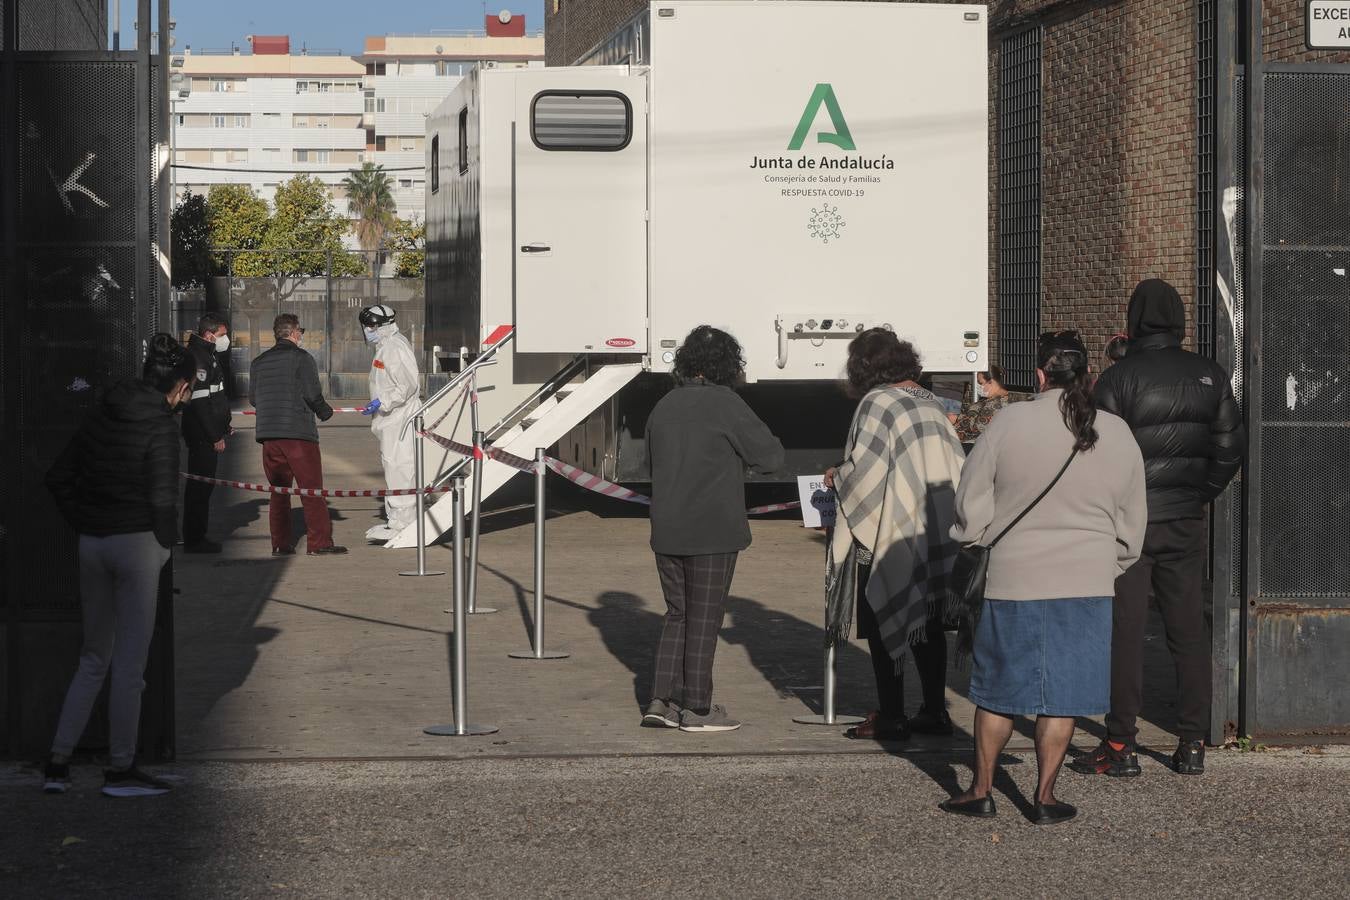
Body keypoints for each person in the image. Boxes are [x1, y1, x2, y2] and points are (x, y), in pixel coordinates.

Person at [944, 330, 1147, 824]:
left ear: (1039, 375)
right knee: (1063, 695)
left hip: (1015, 577)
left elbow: (971, 504)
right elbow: (1133, 523)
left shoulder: (1008, 423)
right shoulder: (1117, 432)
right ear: (1089, 376)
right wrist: (1109, 561)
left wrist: (974, 538)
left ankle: (982, 789)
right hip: (1087, 580)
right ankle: (1045, 796)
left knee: (996, 689)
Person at [1073, 278, 1244, 778]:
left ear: (1133, 321)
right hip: (1185, 518)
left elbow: (1093, 452)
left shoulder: (1117, 379)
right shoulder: (1209, 374)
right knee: (1187, 628)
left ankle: (1121, 741)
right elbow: (1229, 449)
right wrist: (1198, 493)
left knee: (1126, 630)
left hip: (1129, 523)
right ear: (1178, 319)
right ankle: (1193, 742)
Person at [43, 334, 196, 797]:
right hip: (138, 545)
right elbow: (163, 496)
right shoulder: (163, 425)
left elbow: (58, 476)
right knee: (131, 664)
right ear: (180, 387)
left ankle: (57, 764)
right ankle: (120, 767)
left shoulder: (105, 409)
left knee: (94, 657)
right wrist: (166, 544)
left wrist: (86, 520)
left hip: (94, 542)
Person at [640, 325, 785, 733]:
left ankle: (660, 700)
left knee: (677, 615)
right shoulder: (727, 404)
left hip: (667, 526)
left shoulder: (664, 405)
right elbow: (771, 457)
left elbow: (651, 464)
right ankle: (698, 709)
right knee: (705, 618)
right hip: (713, 529)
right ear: (727, 363)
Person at [825, 329, 965, 741]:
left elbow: (865, 470)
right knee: (928, 621)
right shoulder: (929, 400)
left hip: (891, 525)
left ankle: (891, 715)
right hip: (936, 523)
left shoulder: (877, 401)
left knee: (885, 604)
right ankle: (935, 710)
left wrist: (838, 476)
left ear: (863, 366)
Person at [249, 314, 347, 556]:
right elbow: (312, 392)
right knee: (311, 489)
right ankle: (319, 543)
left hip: (269, 434)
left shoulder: (258, 362)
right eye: (300, 331)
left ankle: (281, 544)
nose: (301, 335)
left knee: (279, 491)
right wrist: (325, 412)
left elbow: (253, 398)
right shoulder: (301, 358)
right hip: (298, 433)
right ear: (294, 333)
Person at [357, 305, 422, 543]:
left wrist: (381, 402)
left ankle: (403, 523)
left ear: (381, 326)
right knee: (393, 467)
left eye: (370, 326)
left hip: (400, 419)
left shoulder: (395, 347)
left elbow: (407, 386)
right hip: (390, 420)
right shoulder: (385, 347)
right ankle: (397, 519)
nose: (367, 331)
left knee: (400, 468)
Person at [181, 313, 232, 553]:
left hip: (207, 431)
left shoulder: (206, 355)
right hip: (202, 436)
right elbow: (201, 404)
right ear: (209, 334)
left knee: (203, 487)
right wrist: (214, 436)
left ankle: (196, 536)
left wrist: (224, 424)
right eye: (222, 335)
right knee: (200, 487)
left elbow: (216, 398)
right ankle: (195, 539)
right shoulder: (200, 358)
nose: (226, 339)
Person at [953, 364, 1027, 445]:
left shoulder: (993, 405)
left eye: (980, 383)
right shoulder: (1013, 398)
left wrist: (957, 420)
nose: (978, 387)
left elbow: (978, 427)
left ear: (991, 382)